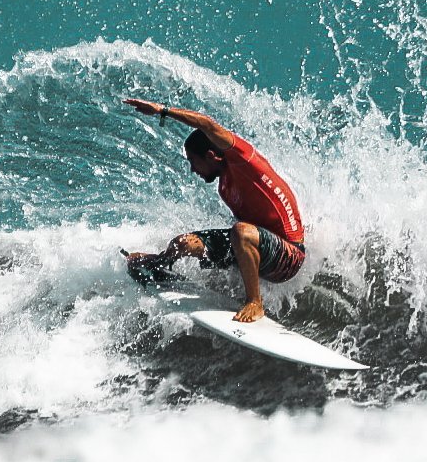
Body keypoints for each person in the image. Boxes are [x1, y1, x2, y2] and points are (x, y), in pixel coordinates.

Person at [122, 99, 306, 322]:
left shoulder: (243, 160)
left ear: (210, 156)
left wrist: (163, 111)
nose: (192, 170)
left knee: (241, 232)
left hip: (289, 256)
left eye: (193, 162)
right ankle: (159, 264)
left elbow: (208, 126)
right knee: (184, 243)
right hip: (260, 248)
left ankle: (255, 303)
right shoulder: (224, 187)